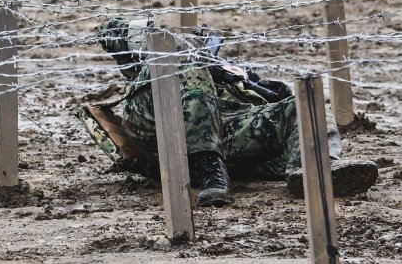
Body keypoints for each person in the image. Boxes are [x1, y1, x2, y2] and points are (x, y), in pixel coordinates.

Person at [77, 17, 377, 206]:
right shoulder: (157, 68)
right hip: (166, 130)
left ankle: (317, 170)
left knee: (304, 103)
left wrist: (246, 80)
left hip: (229, 137)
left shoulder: (222, 73)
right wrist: (185, 50)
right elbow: (109, 29)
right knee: (186, 62)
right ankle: (210, 172)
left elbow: (276, 104)